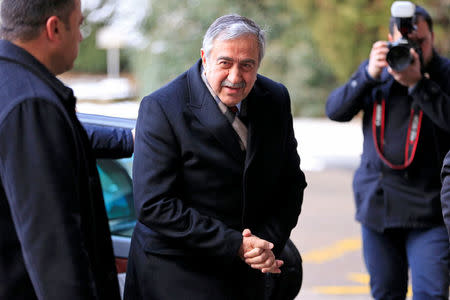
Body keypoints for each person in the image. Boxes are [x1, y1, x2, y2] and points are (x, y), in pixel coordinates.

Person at [125, 14, 307, 300]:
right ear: (205, 57)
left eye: (247, 65)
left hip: (248, 272)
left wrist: (265, 245)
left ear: (258, 64)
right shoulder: (162, 107)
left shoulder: (275, 98)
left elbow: (291, 182)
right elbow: (154, 204)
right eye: (225, 63)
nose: (235, 77)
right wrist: (236, 244)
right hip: (176, 272)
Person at [0, 0, 134, 299]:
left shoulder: (12, 88)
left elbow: (66, 136)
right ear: (55, 28)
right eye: (80, 24)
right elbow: (53, 246)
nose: (82, 36)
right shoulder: (32, 105)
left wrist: (131, 139)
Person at [326, 3, 450, 299]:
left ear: (432, 37)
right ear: (389, 39)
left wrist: (419, 85)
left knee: (431, 294)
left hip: (430, 211)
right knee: (384, 293)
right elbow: (335, 110)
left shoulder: (444, 74)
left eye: (420, 42)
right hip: (378, 209)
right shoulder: (379, 70)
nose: (413, 50)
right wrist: (368, 74)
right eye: (404, 42)